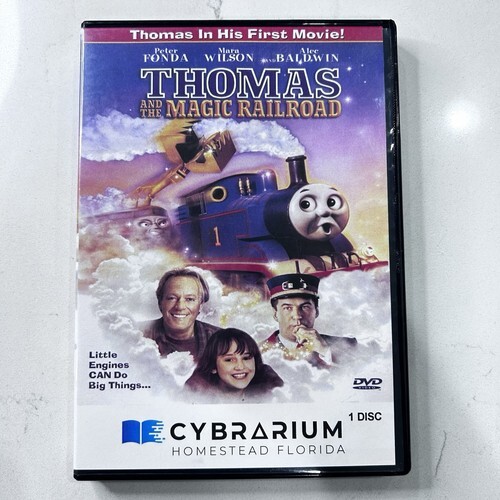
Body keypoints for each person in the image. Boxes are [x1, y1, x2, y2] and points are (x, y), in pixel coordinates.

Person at [260, 273, 357, 368]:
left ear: (316, 312)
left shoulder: (349, 346)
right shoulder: (257, 352)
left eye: (305, 307)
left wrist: (324, 350)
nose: (297, 316)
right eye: (288, 308)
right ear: (275, 314)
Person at [185, 328, 283, 401]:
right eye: (229, 360)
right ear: (213, 367)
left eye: (246, 358)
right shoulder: (194, 396)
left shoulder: (272, 391)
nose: (240, 366)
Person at [142, 268, 219, 360]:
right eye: (172, 298)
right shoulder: (136, 334)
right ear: (160, 303)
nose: (180, 306)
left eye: (189, 299)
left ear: (200, 305)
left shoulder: (222, 340)